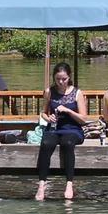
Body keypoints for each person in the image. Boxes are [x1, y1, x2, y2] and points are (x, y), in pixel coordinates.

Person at [35, 63, 87, 201]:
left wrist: (69, 110)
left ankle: (69, 183)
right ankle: (41, 184)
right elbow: (44, 113)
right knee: (46, 144)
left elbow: (83, 119)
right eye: (58, 79)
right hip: (54, 128)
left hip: (72, 128)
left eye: (64, 79)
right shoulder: (49, 92)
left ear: (69, 77)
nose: (61, 82)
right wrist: (49, 118)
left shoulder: (77, 93)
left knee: (67, 143)